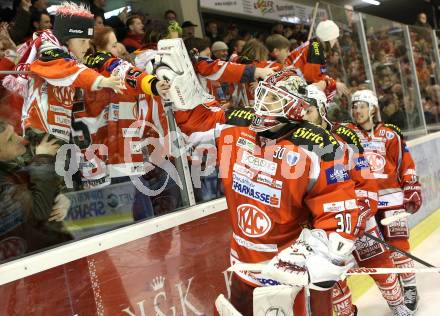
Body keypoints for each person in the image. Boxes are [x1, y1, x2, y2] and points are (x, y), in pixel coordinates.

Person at [187, 71, 361, 315]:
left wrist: (324, 254)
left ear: (294, 106)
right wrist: (177, 85)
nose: (261, 104)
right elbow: (194, 121)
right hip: (243, 265)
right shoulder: (238, 123)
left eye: (271, 99)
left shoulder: (320, 146)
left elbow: (338, 208)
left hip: (289, 272)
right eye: (262, 96)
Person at [303, 85, 412, 316]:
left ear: (322, 109)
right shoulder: (296, 141)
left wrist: (360, 215)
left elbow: (366, 182)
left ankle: (398, 304)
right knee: (332, 283)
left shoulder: (345, 136)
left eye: (308, 110)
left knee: (382, 267)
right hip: (323, 228)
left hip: (357, 219)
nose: (303, 115)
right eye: (300, 110)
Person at [2, 2, 124, 152]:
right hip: (42, 130)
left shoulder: (71, 57)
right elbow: (66, 68)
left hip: (59, 129)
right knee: (48, 172)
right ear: (66, 39)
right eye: (82, 41)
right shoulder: (49, 53)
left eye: (88, 41)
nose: (87, 46)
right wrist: (102, 81)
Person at [347, 89, 422, 314]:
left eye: (362, 106)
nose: (357, 111)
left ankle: (409, 288)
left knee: (398, 248)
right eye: (354, 107)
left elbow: (405, 163)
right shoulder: (347, 134)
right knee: (377, 253)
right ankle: (394, 292)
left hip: (391, 199)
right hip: (364, 204)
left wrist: (411, 186)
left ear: (373, 109)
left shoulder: (390, 134)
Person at [0, 120, 71, 262]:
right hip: (38, 264)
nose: (21, 139)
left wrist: (60, 198)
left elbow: (37, 193)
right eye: (10, 140)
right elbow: (38, 213)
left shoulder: (10, 165)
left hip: (52, 252)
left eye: (15, 133)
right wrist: (43, 158)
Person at [285, 20, 349, 100]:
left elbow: (317, 75)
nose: (335, 41)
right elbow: (313, 82)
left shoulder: (315, 45)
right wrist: (334, 84)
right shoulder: (316, 51)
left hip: (290, 83)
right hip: (289, 87)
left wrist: (333, 83)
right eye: (335, 37)